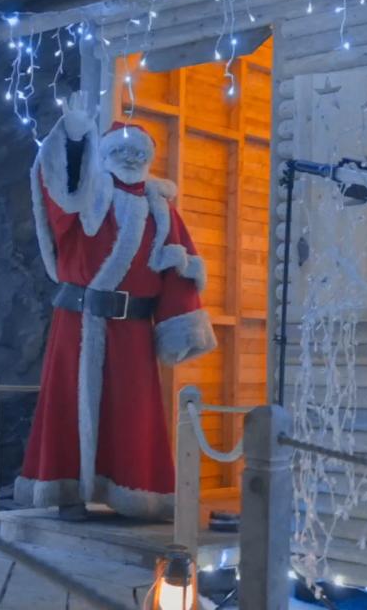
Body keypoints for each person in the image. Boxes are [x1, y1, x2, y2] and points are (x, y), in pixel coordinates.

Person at [15, 91, 216, 521]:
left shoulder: (162, 208)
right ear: (104, 154)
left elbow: (180, 268)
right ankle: (67, 491)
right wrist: (72, 138)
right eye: (119, 150)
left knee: (133, 413)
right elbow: (60, 189)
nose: (128, 156)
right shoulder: (87, 197)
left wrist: (181, 323)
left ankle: (134, 493)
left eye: (136, 151)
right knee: (69, 403)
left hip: (132, 330)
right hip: (78, 322)